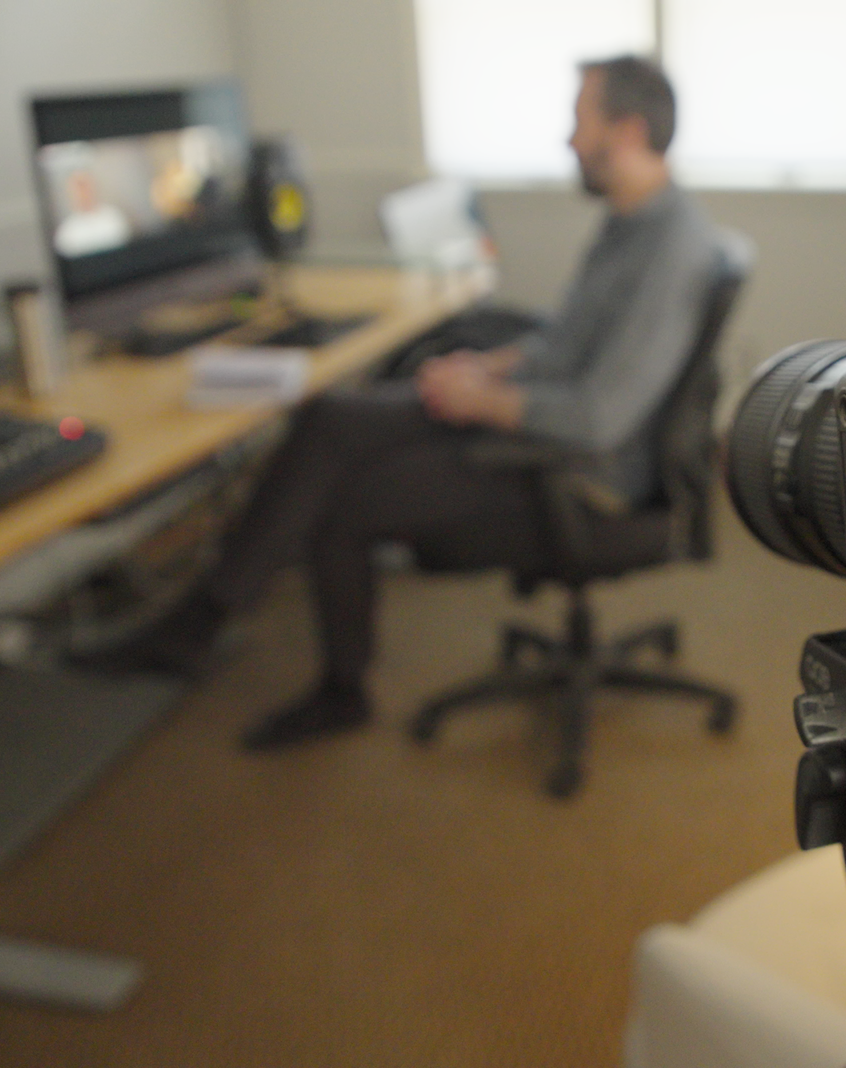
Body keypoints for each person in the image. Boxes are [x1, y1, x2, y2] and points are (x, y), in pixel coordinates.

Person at [108, 56, 723, 751]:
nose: (568, 140)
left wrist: (482, 400)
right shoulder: (633, 222)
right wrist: (484, 365)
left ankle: (331, 687)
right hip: (547, 415)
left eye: (581, 122)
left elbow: (599, 418)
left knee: (344, 502)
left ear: (631, 130)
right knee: (332, 417)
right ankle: (199, 620)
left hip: (584, 475)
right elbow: (569, 342)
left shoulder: (670, 247)